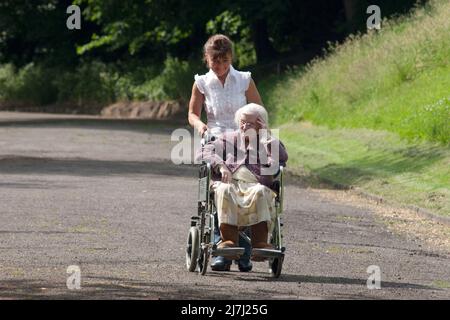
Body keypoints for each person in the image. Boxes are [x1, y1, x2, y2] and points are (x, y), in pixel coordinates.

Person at [188, 34, 263, 272]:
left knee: (244, 187)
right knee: (220, 190)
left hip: (243, 141)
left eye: (224, 61)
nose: (219, 66)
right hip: (216, 140)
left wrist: (257, 132)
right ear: (207, 59)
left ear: (231, 57)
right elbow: (192, 113)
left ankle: (243, 249)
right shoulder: (202, 82)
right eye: (214, 61)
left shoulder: (244, 80)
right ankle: (223, 247)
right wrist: (200, 126)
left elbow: (257, 111)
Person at [199, 103, 288, 261]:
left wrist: (266, 135)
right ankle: (229, 242)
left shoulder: (267, 141)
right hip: (230, 183)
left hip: (256, 186)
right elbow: (205, 151)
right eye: (242, 121)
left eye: (250, 123)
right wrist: (221, 166)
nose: (245, 125)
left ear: (260, 123)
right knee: (224, 189)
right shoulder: (228, 138)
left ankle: (260, 243)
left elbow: (281, 158)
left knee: (261, 191)